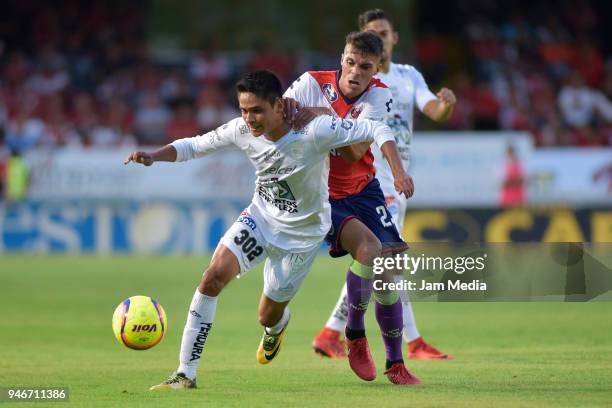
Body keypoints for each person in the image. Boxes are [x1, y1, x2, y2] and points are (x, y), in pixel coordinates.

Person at [124, 70, 402, 390]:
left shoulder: (316, 130)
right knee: (212, 277)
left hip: (302, 236)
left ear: (279, 106)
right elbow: (195, 146)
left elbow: (377, 127)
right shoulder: (242, 130)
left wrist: (397, 171)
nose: (249, 119)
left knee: (267, 316)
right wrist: (153, 156)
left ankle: (277, 326)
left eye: (257, 110)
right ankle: (185, 373)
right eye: (244, 110)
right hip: (260, 219)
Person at [310, 9, 457, 362]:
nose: (382, 38)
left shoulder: (407, 76)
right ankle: (404, 341)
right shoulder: (360, 83)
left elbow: (433, 110)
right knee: (384, 257)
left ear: (393, 39)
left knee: (385, 259)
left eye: (386, 33)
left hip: (398, 173)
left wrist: (446, 105)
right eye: (374, 33)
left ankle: (333, 333)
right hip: (373, 177)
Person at [284, 31, 419, 385]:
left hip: (364, 189)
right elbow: (279, 117)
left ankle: (396, 364)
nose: (355, 72)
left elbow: (356, 151)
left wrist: (311, 118)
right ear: (341, 58)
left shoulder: (379, 94)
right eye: (350, 62)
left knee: (391, 270)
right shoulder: (310, 83)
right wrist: (319, 120)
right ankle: (355, 333)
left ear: (376, 70)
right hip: (322, 195)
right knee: (371, 251)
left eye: (365, 66)